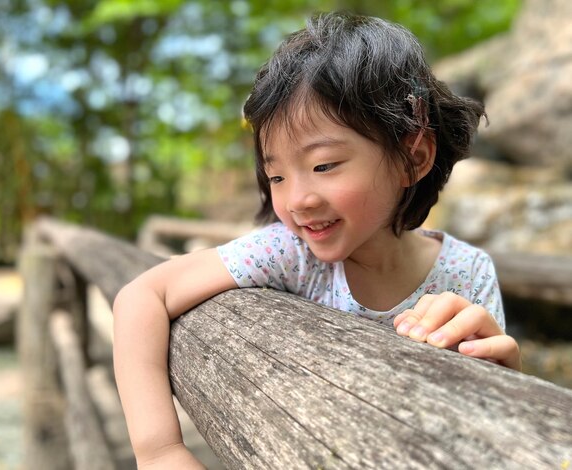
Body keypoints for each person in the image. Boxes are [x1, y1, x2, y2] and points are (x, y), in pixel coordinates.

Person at [113, 11, 521, 469]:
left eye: (324, 165)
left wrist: (504, 376)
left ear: (415, 157)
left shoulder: (468, 273)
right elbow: (142, 295)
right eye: (277, 176)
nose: (297, 200)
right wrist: (159, 450)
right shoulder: (290, 254)